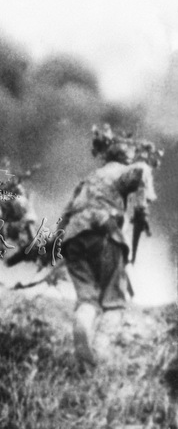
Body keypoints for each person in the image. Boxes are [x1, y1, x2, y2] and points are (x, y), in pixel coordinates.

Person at [60, 124, 161, 368]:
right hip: (104, 234)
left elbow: (65, 215)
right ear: (125, 157)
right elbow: (141, 171)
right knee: (113, 302)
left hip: (72, 239)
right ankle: (100, 354)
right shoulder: (125, 171)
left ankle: (82, 328)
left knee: (87, 300)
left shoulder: (89, 179)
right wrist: (142, 211)